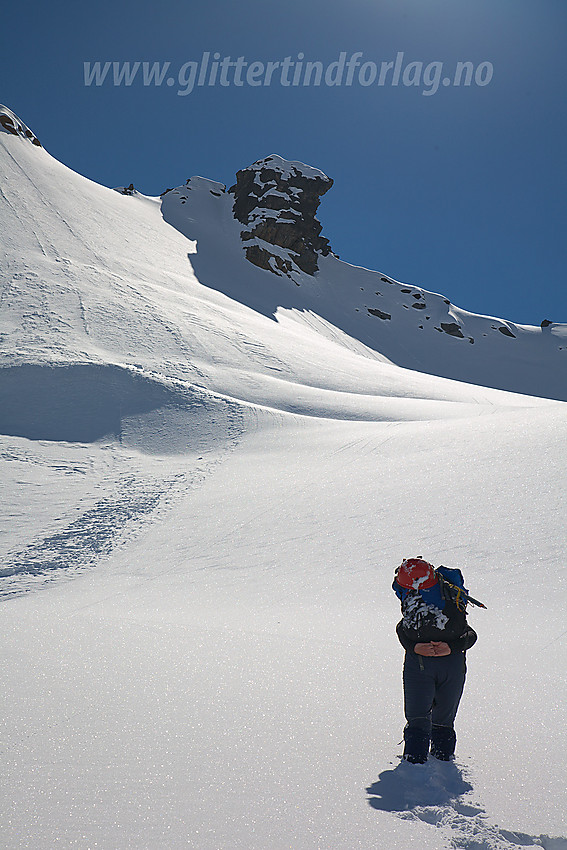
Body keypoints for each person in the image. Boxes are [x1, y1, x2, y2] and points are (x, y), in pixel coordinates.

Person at [392, 557, 477, 764]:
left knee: (420, 720)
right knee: (439, 722)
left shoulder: (409, 595)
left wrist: (415, 647)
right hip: (451, 666)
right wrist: (451, 648)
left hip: (420, 666)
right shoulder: (445, 596)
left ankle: (414, 768)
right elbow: (470, 635)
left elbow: (401, 630)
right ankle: (442, 764)